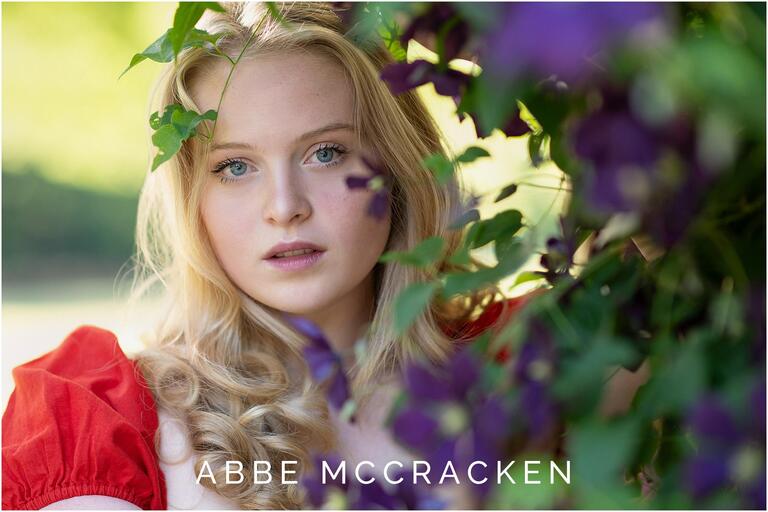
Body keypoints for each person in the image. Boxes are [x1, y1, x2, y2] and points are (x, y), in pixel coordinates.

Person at [2, 2, 536, 510]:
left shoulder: (525, 360)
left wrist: (491, 36)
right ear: (194, 200)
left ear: (398, 168)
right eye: (235, 166)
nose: (285, 208)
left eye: (325, 153)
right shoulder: (97, 419)